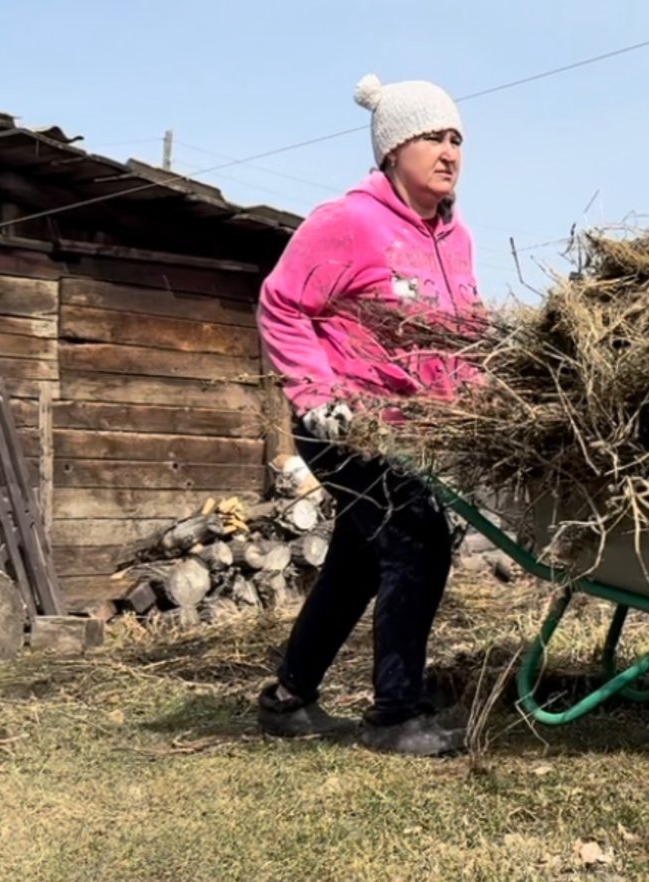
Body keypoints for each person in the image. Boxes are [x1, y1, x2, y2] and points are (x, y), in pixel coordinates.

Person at [250, 74, 484, 755]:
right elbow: (282, 303)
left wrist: (477, 398)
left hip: (411, 434)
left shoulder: (456, 237)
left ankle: (289, 699)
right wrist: (317, 392)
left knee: (357, 562)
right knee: (417, 542)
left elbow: (460, 340)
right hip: (348, 425)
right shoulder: (348, 223)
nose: (449, 152)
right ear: (392, 150)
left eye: (456, 139)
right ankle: (395, 715)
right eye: (432, 138)